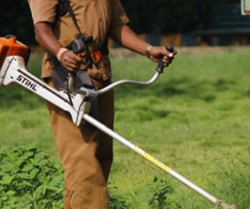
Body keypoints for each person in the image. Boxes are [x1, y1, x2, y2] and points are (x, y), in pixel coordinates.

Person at [28, 0, 177, 208]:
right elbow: (40, 29)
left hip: (100, 74)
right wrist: (61, 53)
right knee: (84, 162)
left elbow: (117, 26)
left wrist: (148, 49)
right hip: (66, 77)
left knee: (101, 156)